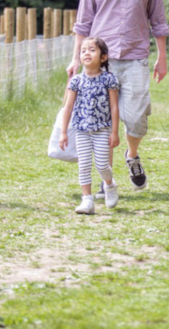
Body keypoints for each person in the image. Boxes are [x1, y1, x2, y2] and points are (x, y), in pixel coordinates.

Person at [70, 0, 169, 194]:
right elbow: (83, 21)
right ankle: (106, 181)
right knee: (103, 121)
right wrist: (76, 57)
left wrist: (162, 57)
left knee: (135, 117)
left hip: (136, 56)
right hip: (103, 61)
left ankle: (132, 155)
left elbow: (158, 19)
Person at [60, 37, 121, 214]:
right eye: (83, 50)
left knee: (102, 165)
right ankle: (87, 200)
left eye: (92, 50)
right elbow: (68, 107)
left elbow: (114, 107)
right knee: (84, 165)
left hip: (102, 130)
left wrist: (114, 132)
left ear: (103, 57)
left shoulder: (109, 79)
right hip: (81, 130)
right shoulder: (76, 81)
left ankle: (109, 185)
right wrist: (64, 132)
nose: (87, 53)